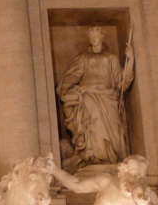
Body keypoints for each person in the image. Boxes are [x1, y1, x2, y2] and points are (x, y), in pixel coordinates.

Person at [57, 26, 134, 168]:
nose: (94, 40)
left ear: (102, 38)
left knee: (113, 129)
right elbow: (74, 75)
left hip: (108, 96)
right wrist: (65, 89)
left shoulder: (111, 57)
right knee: (93, 124)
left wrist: (130, 61)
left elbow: (120, 80)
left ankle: (111, 157)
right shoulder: (84, 57)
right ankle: (94, 156)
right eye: (91, 38)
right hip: (89, 94)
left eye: (96, 37)